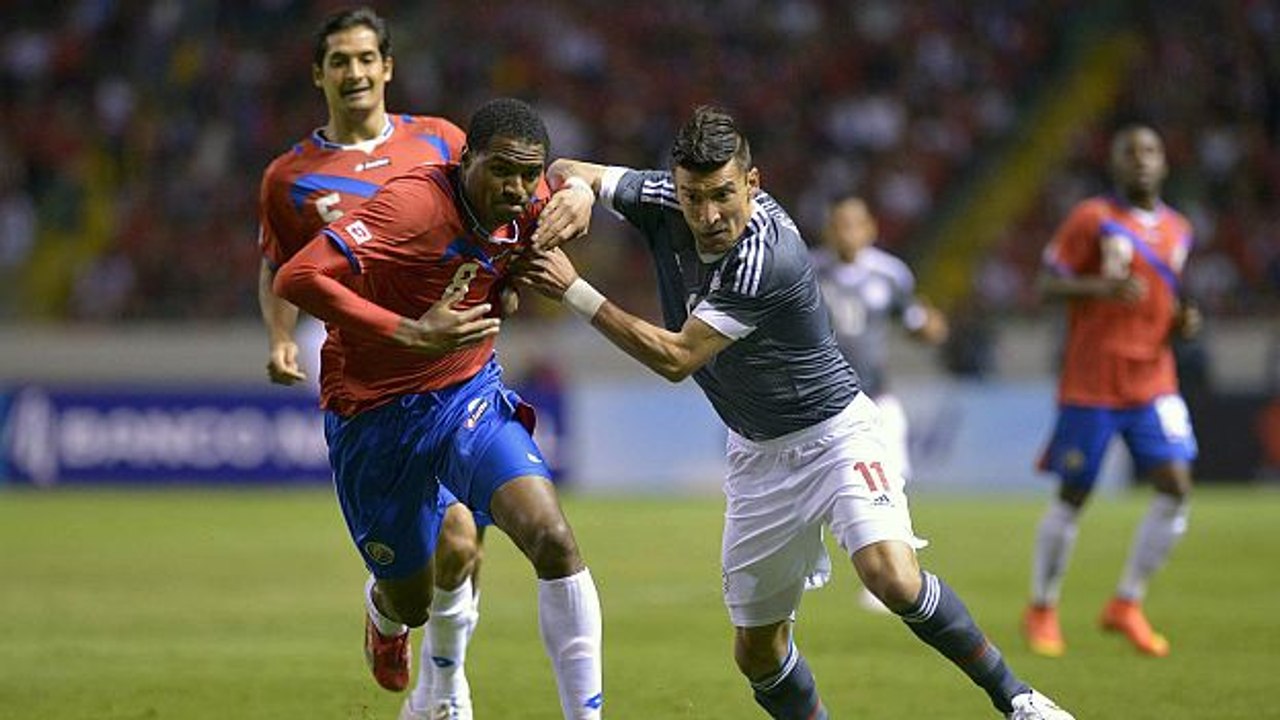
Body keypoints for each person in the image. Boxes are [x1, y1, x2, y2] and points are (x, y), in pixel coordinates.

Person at [521, 105, 1072, 720]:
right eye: (693, 196)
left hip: (835, 434)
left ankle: (1019, 699)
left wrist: (573, 288)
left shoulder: (768, 253)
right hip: (756, 456)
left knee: (891, 576)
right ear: (674, 187)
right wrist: (573, 189)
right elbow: (571, 167)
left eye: (723, 195)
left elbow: (678, 359)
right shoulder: (663, 198)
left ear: (752, 184)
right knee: (758, 652)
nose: (707, 216)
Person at [254, 9, 488, 717]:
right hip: (364, 389)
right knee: (411, 592)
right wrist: (281, 337)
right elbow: (279, 269)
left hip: (450, 375)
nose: (354, 73)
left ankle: (444, 690)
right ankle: (387, 615)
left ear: (387, 67)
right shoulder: (289, 178)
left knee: (464, 538)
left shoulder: (441, 142)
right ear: (318, 74)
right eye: (339, 62)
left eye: (365, 59)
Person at [1023, 124, 1199, 659]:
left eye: (1150, 151)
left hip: (1153, 379)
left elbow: (1162, 303)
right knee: (1074, 495)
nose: (1140, 161)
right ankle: (1043, 608)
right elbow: (1047, 283)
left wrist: (1181, 324)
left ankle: (1127, 603)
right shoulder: (1092, 219)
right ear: (1115, 164)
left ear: (1164, 164)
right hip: (1093, 382)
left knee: (1176, 485)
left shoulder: (1179, 229)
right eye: (1130, 153)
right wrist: (1101, 285)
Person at [813, 195, 948, 613]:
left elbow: (915, 322)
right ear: (828, 230)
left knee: (892, 480)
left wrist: (930, 327)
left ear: (870, 229)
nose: (846, 233)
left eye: (855, 224)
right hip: (823, 401)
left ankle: (893, 574)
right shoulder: (810, 271)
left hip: (876, 397)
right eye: (839, 224)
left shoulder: (889, 274)